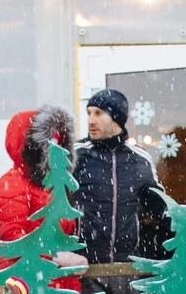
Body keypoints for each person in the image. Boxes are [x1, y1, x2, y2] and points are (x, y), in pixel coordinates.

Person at [72, 87, 171, 265]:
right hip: (84, 267)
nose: (91, 120)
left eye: (98, 113)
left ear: (116, 118)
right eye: (89, 113)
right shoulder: (76, 155)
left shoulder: (141, 159)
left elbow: (161, 209)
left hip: (127, 267)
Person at [0, 104, 85, 287]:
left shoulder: (52, 186)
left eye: (60, 144)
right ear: (32, 146)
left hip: (56, 286)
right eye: (50, 144)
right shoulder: (12, 186)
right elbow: (14, 239)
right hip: (25, 286)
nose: (56, 150)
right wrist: (56, 256)